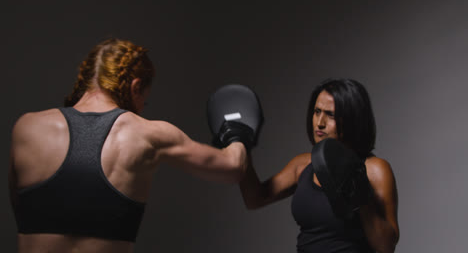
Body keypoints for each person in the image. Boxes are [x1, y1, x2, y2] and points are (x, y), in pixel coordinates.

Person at [8, 38, 250, 253]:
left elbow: (20, 210)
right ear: (135, 87)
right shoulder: (149, 134)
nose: (143, 107)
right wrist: (237, 131)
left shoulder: (26, 127)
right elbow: (233, 168)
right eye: (146, 99)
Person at [239, 79, 399, 252]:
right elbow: (255, 198)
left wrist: (361, 197)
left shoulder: (375, 170)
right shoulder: (302, 165)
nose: (319, 122)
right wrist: (240, 145)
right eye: (317, 112)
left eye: (330, 115)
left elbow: (386, 247)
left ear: (352, 118)